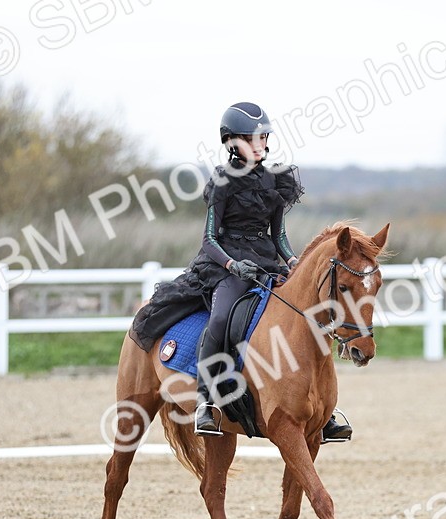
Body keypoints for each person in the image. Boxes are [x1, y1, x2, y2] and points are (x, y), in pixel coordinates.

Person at [128, 101, 352, 443]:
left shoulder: (277, 181)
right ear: (232, 142)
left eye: (264, 137)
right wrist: (232, 264)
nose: (261, 144)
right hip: (224, 266)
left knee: (304, 317)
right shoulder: (222, 182)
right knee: (220, 320)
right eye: (253, 138)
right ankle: (206, 402)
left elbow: (278, 236)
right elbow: (209, 239)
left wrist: (292, 262)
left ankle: (322, 410)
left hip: (265, 263)